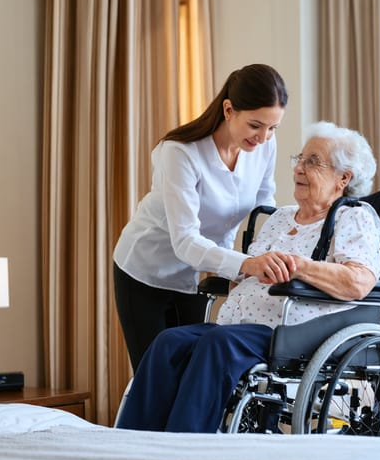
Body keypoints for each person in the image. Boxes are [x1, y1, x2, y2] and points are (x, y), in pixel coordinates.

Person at [115, 121, 380, 433]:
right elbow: (248, 268)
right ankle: (138, 440)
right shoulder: (280, 217)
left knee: (218, 345)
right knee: (169, 342)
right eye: (300, 158)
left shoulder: (354, 217)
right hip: (242, 328)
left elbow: (359, 281)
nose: (299, 168)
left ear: (343, 178)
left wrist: (298, 266)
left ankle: (184, 446)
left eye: (313, 162)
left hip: (294, 332)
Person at [113, 63, 289, 371]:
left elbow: (265, 205)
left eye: (272, 128)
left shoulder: (263, 147)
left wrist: (273, 250)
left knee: (190, 372)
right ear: (229, 109)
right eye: (255, 125)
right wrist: (244, 265)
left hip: (196, 274)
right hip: (146, 269)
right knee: (154, 376)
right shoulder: (181, 152)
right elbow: (184, 242)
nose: (263, 138)